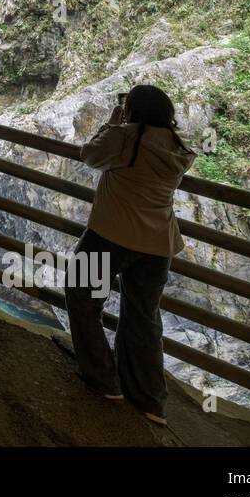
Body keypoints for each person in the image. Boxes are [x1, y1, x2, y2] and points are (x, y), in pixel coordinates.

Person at [65, 84, 196, 427]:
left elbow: (90, 155)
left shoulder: (125, 137)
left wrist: (112, 124)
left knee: (82, 298)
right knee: (144, 317)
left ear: (132, 110)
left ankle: (103, 378)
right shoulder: (179, 148)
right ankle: (151, 400)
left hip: (109, 236)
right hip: (157, 246)